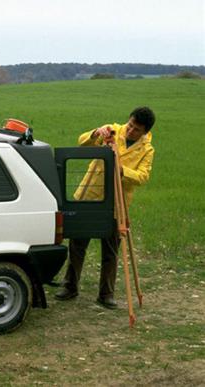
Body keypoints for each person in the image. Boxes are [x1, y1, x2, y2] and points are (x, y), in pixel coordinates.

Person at [55, 106, 156, 309]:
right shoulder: (111, 131)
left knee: (110, 251)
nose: (130, 131)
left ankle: (106, 294)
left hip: (116, 204)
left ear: (145, 132)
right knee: (77, 245)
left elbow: (143, 177)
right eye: (130, 125)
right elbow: (82, 142)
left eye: (136, 129)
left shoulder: (147, 150)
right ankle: (70, 286)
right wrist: (95, 133)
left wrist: (122, 171)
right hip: (87, 196)